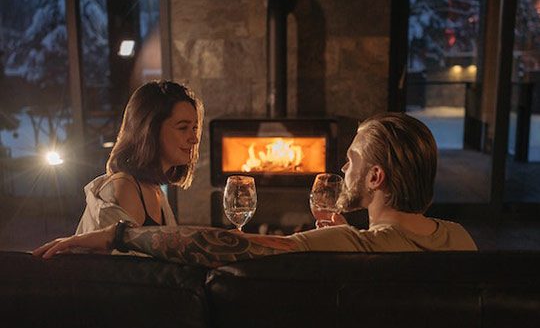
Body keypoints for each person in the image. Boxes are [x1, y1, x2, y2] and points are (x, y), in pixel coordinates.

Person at [34, 112, 477, 266]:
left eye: (352, 159)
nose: (343, 167)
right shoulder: (460, 239)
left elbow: (224, 244)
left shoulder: (348, 243)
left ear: (376, 178)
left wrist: (120, 235)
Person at [75, 81, 203, 238]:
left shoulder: (155, 189)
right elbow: (124, 261)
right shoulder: (126, 188)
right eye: (183, 128)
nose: (194, 139)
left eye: (195, 128)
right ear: (151, 130)